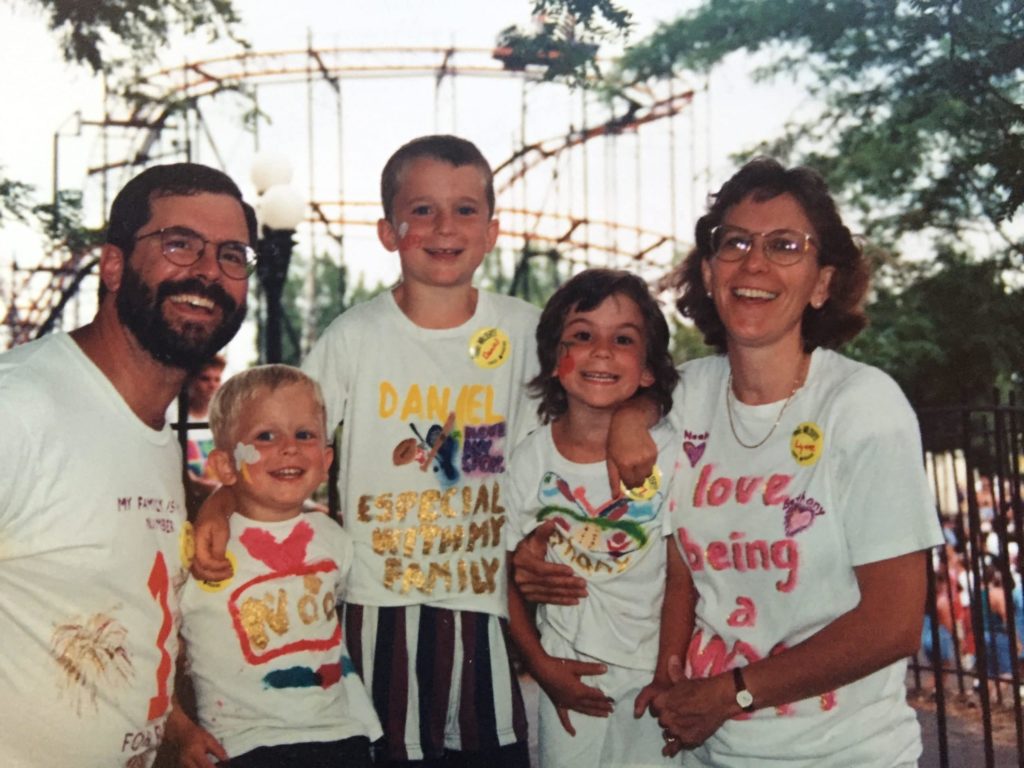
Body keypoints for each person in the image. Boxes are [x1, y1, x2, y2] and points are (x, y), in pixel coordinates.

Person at [193, 135, 541, 767]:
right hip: (375, 603)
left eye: (465, 210)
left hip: (484, 602)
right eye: (424, 210)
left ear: (491, 231)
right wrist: (220, 504)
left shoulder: (524, 330)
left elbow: (574, 434)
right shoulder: (355, 336)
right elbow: (281, 441)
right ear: (389, 230)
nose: (444, 227)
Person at [646, 157, 944, 765]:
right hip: (713, 753)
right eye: (735, 243)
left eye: (785, 245)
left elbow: (893, 622)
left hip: (845, 754)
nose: (754, 264)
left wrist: (731, 694)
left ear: (821, 283)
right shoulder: (683, 396)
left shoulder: (862, 406)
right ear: (708, 272)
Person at [0, 163, 255, 767]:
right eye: (179, 244)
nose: (207, 271)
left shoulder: (151, 432)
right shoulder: (21, 408)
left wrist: (174, 726)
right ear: (113, 265)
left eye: (231, 255)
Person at [505, 269, 686, 767]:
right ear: (554, 361)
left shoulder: (671, 452)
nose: (601, 351)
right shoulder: (531, 460)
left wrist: (668, 676)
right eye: (581, 336)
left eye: (623, 339)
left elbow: (680, 576)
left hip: (652, 677)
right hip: (571, 672)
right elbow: (504, 577)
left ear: (647, 370)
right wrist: (541, 666)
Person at [168, 365, 381, 768]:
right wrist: (179, 728)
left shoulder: (333, 538)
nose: (289, 447)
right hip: (242, 744)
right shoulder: (200, 549)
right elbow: (159, 650)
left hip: (341, 735)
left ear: (325, 459)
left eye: (305, 434)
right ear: (227, 466)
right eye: (265, 436)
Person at [180, 354, 227, 512]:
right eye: (205, 379)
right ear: (191, 381)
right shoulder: (175, 416)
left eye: (217, 379)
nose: (212, 385)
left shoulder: (224, 418)